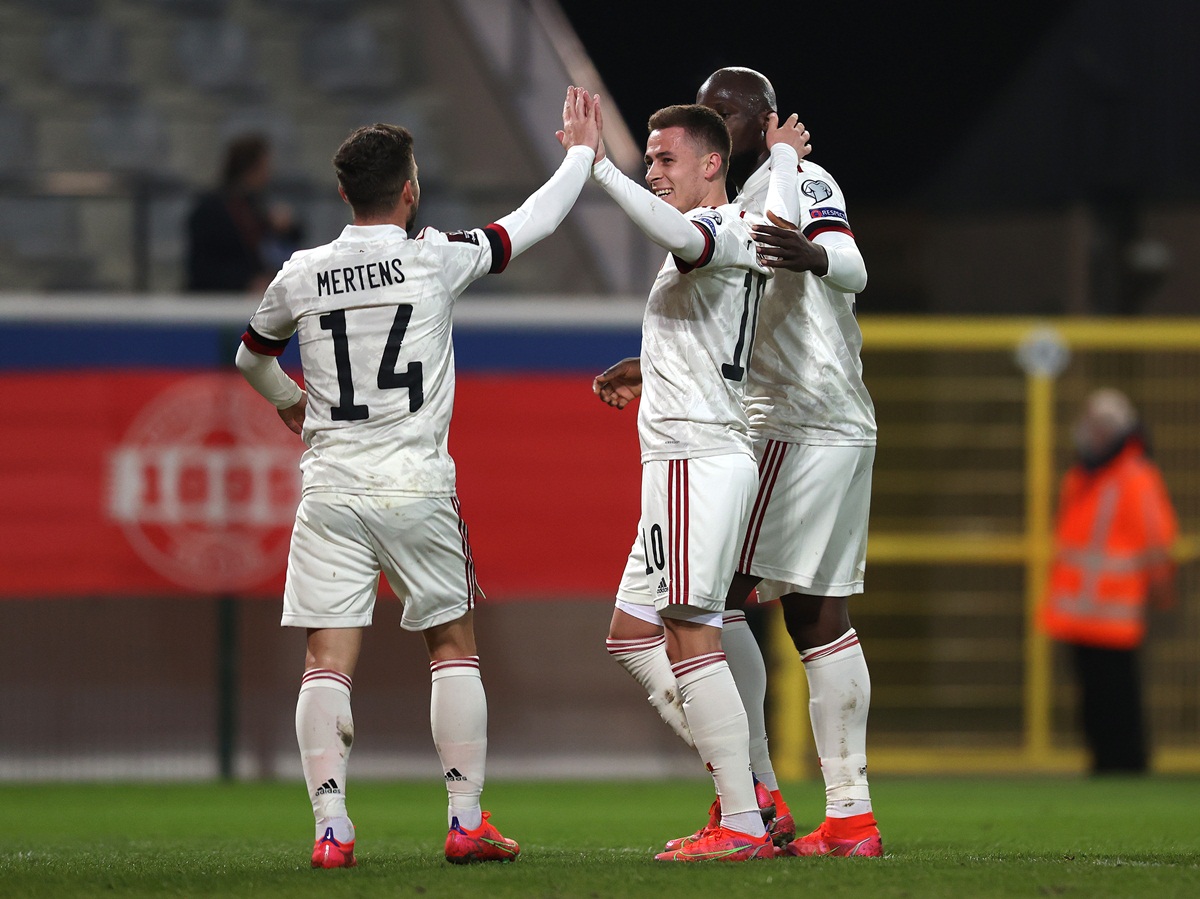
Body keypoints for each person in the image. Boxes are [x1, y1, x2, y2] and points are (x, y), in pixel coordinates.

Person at [235, 88, 601, 867]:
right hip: (416, 483)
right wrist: (579, 155)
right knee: (452, 644)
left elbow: (249, 355)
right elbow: (529, 224)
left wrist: (293, 405)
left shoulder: (302, 272)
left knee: (326, 658)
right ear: (410, 190)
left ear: (342, 193)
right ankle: (465, 818)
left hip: (332, 485)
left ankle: (331, 830)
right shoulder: (434, 257)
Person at [594, 66, 881, 858]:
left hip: (797, 418)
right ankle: (839, 812)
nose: (713, 124)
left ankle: (751, 797)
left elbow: (850, 263)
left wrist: (815, 258)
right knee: (806, 614)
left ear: (761, 122)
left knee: (691, 610)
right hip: (777, 419)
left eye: (726, 113)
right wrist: (652, 365)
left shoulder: (796, 183)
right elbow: (725, 319)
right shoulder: (749, 201)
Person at [1040, 388, 1178, 774]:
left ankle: (1128, 762)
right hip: (1080, 614)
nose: (1091, 432)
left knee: (1119, 694)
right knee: (1095, 697)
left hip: (1115, 614)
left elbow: (1156, 538)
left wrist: (1161, 589)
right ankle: (1105, 761)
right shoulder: (1084, 476)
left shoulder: (1134, 475)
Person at [185, 133, 303, 293]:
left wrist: (285, 228)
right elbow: (203, 267)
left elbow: (291, 237)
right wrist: (246, 282)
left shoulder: (255, 207)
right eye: (265, 167)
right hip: (215, 300)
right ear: (250, 169)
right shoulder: (210, 209)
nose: (269, 174)